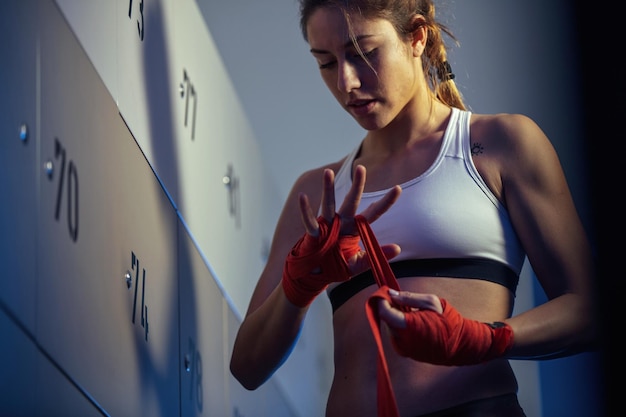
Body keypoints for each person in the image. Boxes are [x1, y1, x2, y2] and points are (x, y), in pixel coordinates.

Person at [230, 0, 598, 416]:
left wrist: (484, 338)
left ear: (417, 36)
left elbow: (587, 310)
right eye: (326, 62)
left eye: (364, 53)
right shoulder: (318, 191)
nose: (346, 82)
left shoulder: (500, 145)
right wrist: (298, 287)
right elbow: (246, 366)